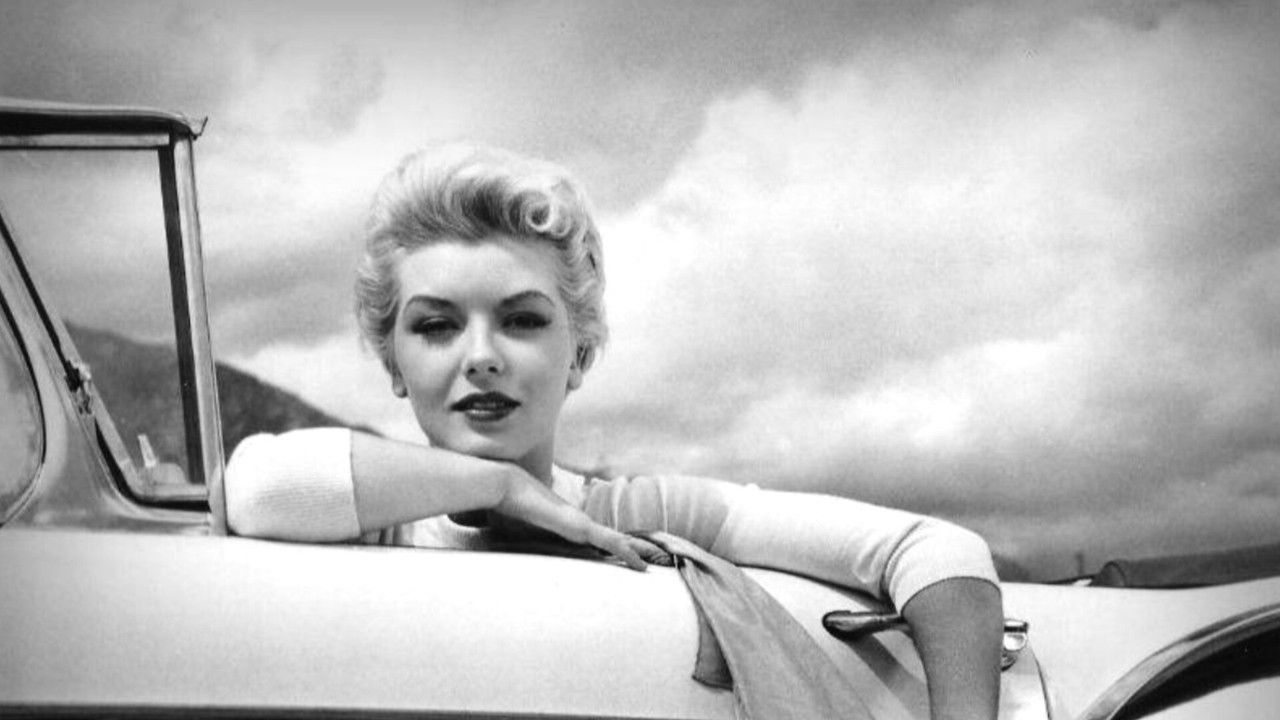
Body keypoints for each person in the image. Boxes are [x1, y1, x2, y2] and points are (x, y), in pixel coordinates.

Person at [225, 144, 1004, 720]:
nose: (482, 357)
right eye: (436, 326)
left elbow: (936, 551)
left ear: (580, 355)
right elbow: (254, 489)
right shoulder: (380, 522)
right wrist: (499, 486)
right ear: (393, 362)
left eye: (522, 321)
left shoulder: (636, 513)